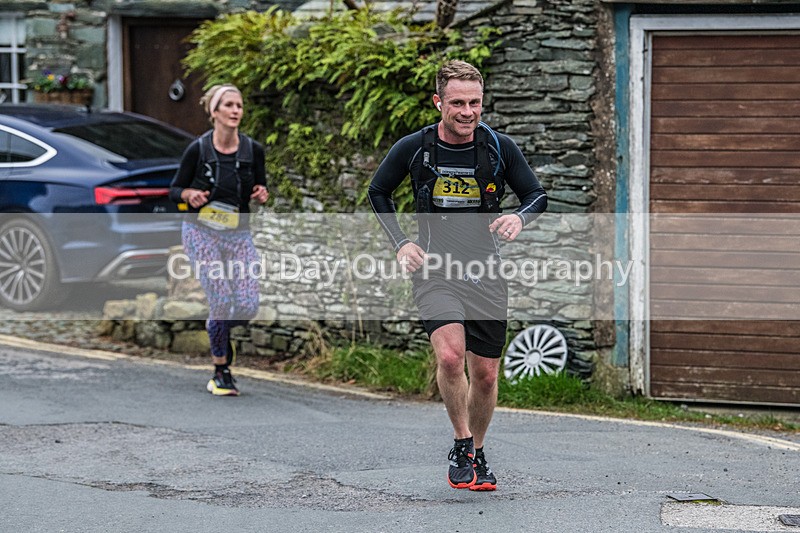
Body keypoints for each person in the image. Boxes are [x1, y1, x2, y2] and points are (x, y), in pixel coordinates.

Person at [368, 61, 547, 490]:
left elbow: (536, 194)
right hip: (435, 270)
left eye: (475, 103)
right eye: (458, 103)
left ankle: (479, 452)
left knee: (485, 374)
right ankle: (461, 443)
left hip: (486, 272)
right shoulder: (415, 147)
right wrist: (401, 243)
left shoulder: (499, 148)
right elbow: (378, 191)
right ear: (438, 102)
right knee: (450, 357)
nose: (468, 112)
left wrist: (519, 219)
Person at [169, 84, 269, 396]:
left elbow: (260, 188)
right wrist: (189, 194)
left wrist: (261, 193)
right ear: (214, 112)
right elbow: (175, 191)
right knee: (222, 299)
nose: (235, 110)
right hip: (201, 232)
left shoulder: (253, 150)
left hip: (238, 233)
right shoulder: (198, 150)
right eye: (228, 105)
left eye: (239, 105)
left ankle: (220, 328)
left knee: (248, 304)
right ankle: (221, 370)